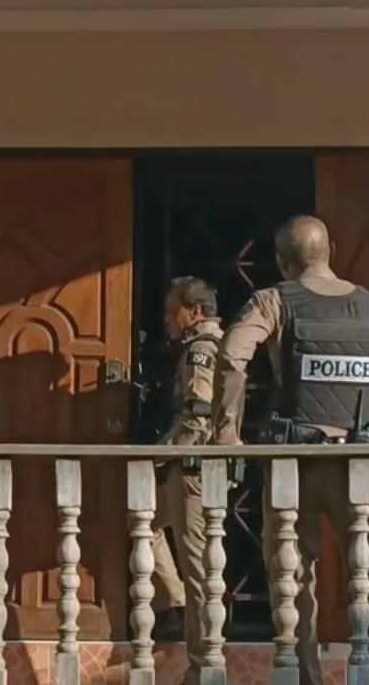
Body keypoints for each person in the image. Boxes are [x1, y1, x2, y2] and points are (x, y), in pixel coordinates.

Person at [213, 215, 369, 685]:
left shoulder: (274, 300)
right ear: (331, 249)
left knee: (293, 582)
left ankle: (306, 677)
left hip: (294, 464)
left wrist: (228, 434)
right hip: (357, 462)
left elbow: (231, 356)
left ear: (281, 262)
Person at [157, 276, 224, 684]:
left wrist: (160, 453)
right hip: (186, 468)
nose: (168, 320)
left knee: (199, 569)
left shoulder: (202, 350)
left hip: (193, 470)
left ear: (194, 312)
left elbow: (197, 420)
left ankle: (204, 665)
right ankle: (176, 601)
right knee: (143, 522)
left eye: (173, 312)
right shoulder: (200, 346)